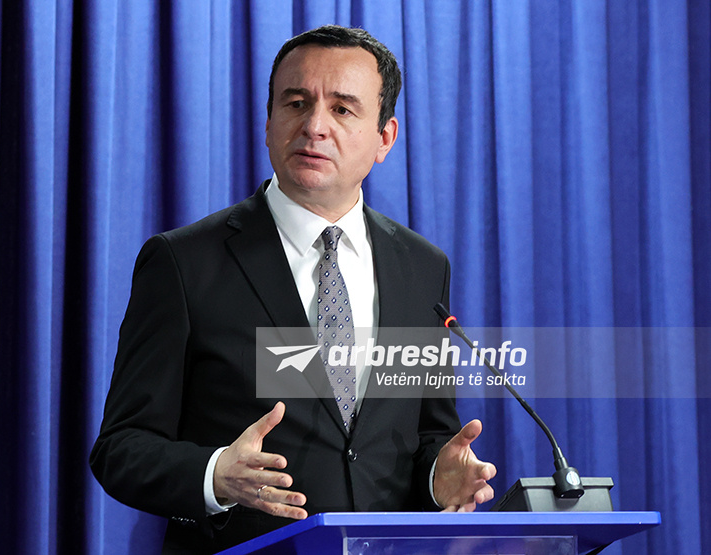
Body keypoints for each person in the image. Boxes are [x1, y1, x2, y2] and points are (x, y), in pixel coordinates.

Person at [90, 25, 496, 554]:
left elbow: (425, 436)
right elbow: (121, 448)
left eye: (343, 109)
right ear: (268, 123)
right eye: (296, 103)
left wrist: (437, 480)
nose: (314, 126)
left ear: (385, 138)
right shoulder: (184, 262)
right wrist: (216, 475)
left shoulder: (421, 266)